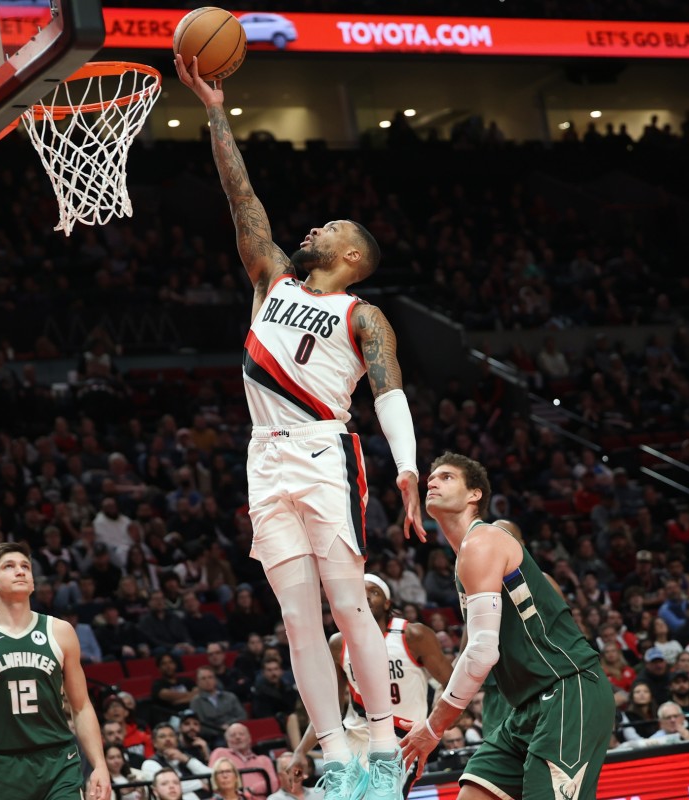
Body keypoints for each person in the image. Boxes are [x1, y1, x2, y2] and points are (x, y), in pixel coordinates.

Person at [175, 53, 421, 800]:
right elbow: (239, 192)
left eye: (333, 225)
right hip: (264, 458)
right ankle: (341, 759)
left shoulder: (363, 315)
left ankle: (382, 743)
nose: (315, 224)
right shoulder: (270, 278)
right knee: (296, 620)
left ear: (351, 257)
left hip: (324, 452)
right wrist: (215, 110)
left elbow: (389, 394)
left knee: (349, 605)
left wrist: (407, 465)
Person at [399, 453, 614, 800]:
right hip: (528, 705)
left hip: (567, 690)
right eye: (431, 478)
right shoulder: (464, 559)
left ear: (475, 495)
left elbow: (482, 651)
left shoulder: (483, 541)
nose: (432, 482)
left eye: (447, 477)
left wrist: (434, 725)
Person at [0, 542, 110, 800]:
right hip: (2, 766)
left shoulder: (60, 632)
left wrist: (100, 765)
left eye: (25, 566)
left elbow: (81, 707)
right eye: (9, 566)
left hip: (59, 760)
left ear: (33, 583)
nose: (20, 571)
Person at [287, 574, 451, 793]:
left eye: (374, 591)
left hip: (402, 740)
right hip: (355, 739)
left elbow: (450, 683)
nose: (365, 595)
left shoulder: (413, 635)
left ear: (387, 603)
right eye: (360, 591)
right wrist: (300, 751)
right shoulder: (339, 643)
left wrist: (434, 725)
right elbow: (330, 707)